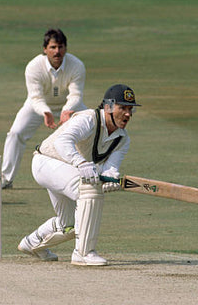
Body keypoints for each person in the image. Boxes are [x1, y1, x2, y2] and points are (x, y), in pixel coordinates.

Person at [17, 84, 141, 266]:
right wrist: (82, 163)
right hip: (45, 162)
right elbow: (62, 142)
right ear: (108, 107)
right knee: (89, 190)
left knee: (70, 224)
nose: (128, 114)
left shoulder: (123, 139)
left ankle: (32, 243)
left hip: (67, 172)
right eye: (122, 108)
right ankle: (83, 252)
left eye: (130, 109)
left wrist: (111, 179)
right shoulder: (88, 119)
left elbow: (110, 169)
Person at [0, 28, 87, 190]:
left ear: (66, 48)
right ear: (45, 49)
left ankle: (87, 175)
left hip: (68, 107)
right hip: (39, 107)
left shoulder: (76, 65)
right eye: (53, 47)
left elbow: (76, 95)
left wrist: (67, 110)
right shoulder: (34, 66)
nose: (57, 51)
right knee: (16, 133)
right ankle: (5, 178)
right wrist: (45, 112)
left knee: (87, 128)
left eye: (61, 47)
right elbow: (35, 98)